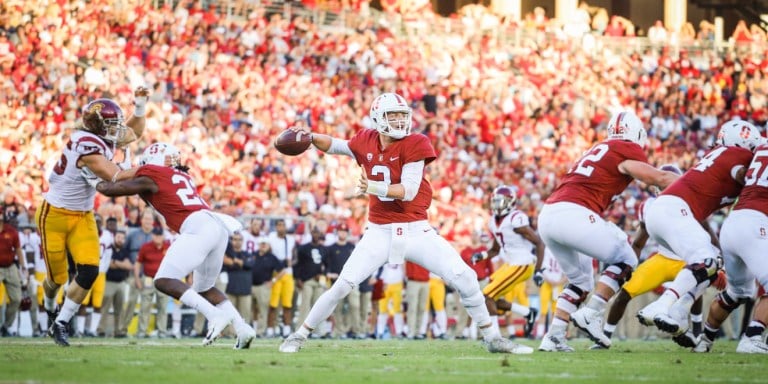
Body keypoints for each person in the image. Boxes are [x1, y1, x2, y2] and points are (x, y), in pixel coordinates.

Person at [279, 92, 531, 354]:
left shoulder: (416, 142)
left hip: (416, 231)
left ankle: (492, 338)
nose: (399, 121)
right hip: (379, 231)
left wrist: (373, 186)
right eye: (392, 115)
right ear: (378, 118)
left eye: (402, 115)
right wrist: (310, 138)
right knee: (343, 284)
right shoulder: (365, 139)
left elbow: (409, 190)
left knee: (465, 277)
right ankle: (298, 336)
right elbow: (336, 145)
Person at [91, 142, 256, 348]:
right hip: (217, 224)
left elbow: (112, 189)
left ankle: (214, 315)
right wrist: (123, 171)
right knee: (205, 288)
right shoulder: (181, 176)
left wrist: (92, 178)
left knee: (163, 280)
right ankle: (242, 328)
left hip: (197, 226)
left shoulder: (154, 174)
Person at [537, 111, 678, 352]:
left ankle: (553, 337)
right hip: (574, 213)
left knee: (580, 281)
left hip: (548, 215)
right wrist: (693, 184)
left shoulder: (599, 148)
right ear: (636, 134)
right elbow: (658, 177)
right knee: (626, 258)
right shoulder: (625, 148)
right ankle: (592, 312)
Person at [37, 89, 148, 346]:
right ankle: (51, 306)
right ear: (98, 125)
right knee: (57, 279)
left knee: (89, 272)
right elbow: (116, 176)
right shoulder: (86, 144)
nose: (117, 129)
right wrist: (152, 169)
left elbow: (134, 132)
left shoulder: (102, 137)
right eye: (111, 124)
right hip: (53, 215)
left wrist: (140, 108)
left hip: (83, 215)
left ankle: (60, 323)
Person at [638, 120, 763, 337]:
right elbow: (749, 176)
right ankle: (661, 305)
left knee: (712, 261)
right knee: (707, 260)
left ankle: (679, 310)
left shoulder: (719, 155)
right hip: (675, 210)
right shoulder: (737, 156)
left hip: (668, 211)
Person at [599, 164, 710, 348]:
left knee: (696, 285)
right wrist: (629, 265)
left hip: (685, 260)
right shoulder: (650, 206)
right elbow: (639, 242)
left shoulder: (690, 202)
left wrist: (715, 255)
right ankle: (604, 336)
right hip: (661, 259)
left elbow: (707, 231)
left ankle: (697, 332)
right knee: (625, 292)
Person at [693, 138, 768, 354]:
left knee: (736, 292)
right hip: (757, 223)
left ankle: (705, 340)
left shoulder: (760, 148)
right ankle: (752, 337)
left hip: (733, 222)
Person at [471, 185, 544, 339]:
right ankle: (528, 313)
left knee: (487, 296)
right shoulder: (493, 221)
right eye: (495, 202)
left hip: (523, 264)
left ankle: (495, 337)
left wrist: (538, 270)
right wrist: (482, 256)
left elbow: (539, 243)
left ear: (510, 202)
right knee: (489, 295)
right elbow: (495, 250)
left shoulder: (516, 219)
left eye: (501, 202)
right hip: (511, 264)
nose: (497, 205)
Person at [120, 209, 155, 335]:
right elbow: (123, 251)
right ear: (141, 220)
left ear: (153, 221)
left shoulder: (155, 235)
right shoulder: (133, 234)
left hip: (149, 276)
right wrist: (125, 262)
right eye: (146, 219)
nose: (148, 221)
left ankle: (142, 330)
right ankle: (122, 329)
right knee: (131, 302)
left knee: (146, 305)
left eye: (150, 219)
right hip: (133, 275)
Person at [325, 224, 360, 338]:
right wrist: (329, 273)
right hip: (337, 281)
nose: (342, 233)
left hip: (351, 280)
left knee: (354, 305)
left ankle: (355, 330)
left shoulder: (352, 247)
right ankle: (340, 331)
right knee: (338, 307)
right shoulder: (331, 248)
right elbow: (327, 265)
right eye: (340, 231)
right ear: (337, 232)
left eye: (344, 231)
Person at [135, 227, 170, 338]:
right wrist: (137, 279)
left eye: (160, 235)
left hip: (163, 279)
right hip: (148, 278)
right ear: (152, 235)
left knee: (163, 307)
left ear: (163, 236)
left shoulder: (168, 247)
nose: (158, 237)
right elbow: (138, 263)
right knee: (145, 306)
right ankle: (142, 331)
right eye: (156, 235)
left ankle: (162, 331)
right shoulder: (146, 247)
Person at [98, 229, 132, 337]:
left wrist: (116, 262)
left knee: (120, 309)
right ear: (114, 237)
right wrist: (120, 264)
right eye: (118, 237)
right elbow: (109, 265)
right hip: (109, 282)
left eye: (122, 238)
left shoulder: (125, 250)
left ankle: (119, 330)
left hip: (121, 283)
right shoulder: (109, 248)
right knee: (105, 308)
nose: (120, 240)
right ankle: (101, 330)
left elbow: (128, 265)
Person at [266, 218, 296, 338]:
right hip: (276, 273)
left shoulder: (290, 239)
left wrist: (291, 262)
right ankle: (270, 328)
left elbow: (295, 257)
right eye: (279, 225)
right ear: (276, 227)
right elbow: (269, 253)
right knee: (273, 303)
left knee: (287, 303)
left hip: (288, 273)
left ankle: (287, 328)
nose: (281, 228)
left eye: (283, 225)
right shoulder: (271, 237)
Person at [0, 211, 27, 336]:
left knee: (16, 299)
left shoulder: (11, 232)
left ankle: (6, 326)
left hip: (10, 267)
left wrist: (23, 267)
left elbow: (18, 250)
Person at [250, 237, 283, 336]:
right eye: (261, 244)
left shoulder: (272, 257)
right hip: (250, 285)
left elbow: (282, 271)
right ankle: (252, 329)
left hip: (263, 286)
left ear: (268, 245)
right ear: (258, 245)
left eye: (265, 244)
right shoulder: (253, 255)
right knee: (250, 309)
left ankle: (260, 331)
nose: (263, 246)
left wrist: (273, 281)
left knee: (262, 310)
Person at [223, 232, 256, 332]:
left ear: (243, 241)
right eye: (235, 239)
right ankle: (230, 333)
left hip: (245, 289)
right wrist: (241, 263)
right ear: (231, 241)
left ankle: (245, 333)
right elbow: (228, 264)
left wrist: (236, 262)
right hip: (230, 288)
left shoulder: (247, 254)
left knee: (245, 315)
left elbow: (250, 264)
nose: (237, 242)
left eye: (239, 239)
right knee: (230, 314)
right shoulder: (226, 254)